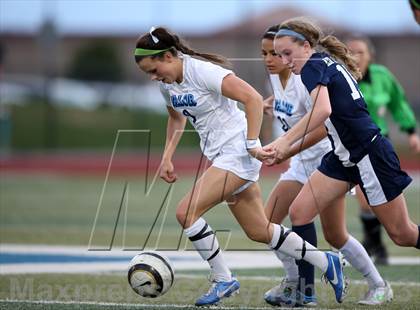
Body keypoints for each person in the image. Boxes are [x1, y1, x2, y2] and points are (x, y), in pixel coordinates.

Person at [134, 26, 347, 306]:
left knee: (186, 213)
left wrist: (250, 144)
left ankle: (223, 280)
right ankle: (326, 261)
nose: (153, 77)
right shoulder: (167, 84)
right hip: (220, 155)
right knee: (259, 230)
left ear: (170, 55)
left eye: (154, 69)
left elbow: (253, 99)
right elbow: (176, 118)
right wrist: (166, 156)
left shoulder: (203, 72)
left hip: (236, 152)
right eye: (148, 73)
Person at [264, 18, 420, 277]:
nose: (285, 60)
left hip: (369, 154)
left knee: (402, 234)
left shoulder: (313, 65)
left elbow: (322, 110)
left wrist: (284, 140)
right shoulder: (319, 62)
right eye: (280, 55)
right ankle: (305, 290)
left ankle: (370, 283)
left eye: (287, 53)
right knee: (300, 213)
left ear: (305, 46)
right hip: (343, 156)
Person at [345, 35, 420, 264]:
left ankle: (374, 242)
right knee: (364, 200)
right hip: (349, 147)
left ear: (371, 56)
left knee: (382, 207)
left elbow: (399, 103)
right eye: (350, 52)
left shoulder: (382, 76)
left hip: (379, 144)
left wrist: (411, 131)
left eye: (360, 52)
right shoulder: (341, 76)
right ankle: (374, 243)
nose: (355, 57)